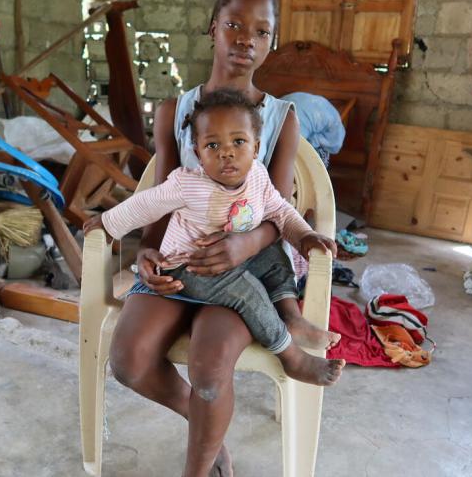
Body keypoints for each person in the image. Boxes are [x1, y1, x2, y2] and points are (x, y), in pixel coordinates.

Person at [102, 0, 331, 475]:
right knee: (129, 359)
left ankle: (198, 467)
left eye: (262, 31)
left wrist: (245, 242)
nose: (246, 39)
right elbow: (161, 194)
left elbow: (277, 209)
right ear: (212, 28)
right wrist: (146, 249)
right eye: (234, 25)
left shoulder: (280, 119)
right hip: (181, 260)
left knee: (210, 368)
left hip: (241, 272)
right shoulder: (175, 112)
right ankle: (207, 427)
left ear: (272, 41)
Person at [84, 88, 346, 386]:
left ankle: (291, 316)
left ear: (256, 146)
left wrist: (305, 235)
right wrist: (106, 223)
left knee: (276, 256)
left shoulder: (258, 176)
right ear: (198, 153)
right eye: (212, 145)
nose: (227, 152)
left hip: (236, 260)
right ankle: (290, 356)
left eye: (238, 141)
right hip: (191, 266)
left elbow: (280, 211)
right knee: (248, 291)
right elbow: (144, 205)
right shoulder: (187, 184)